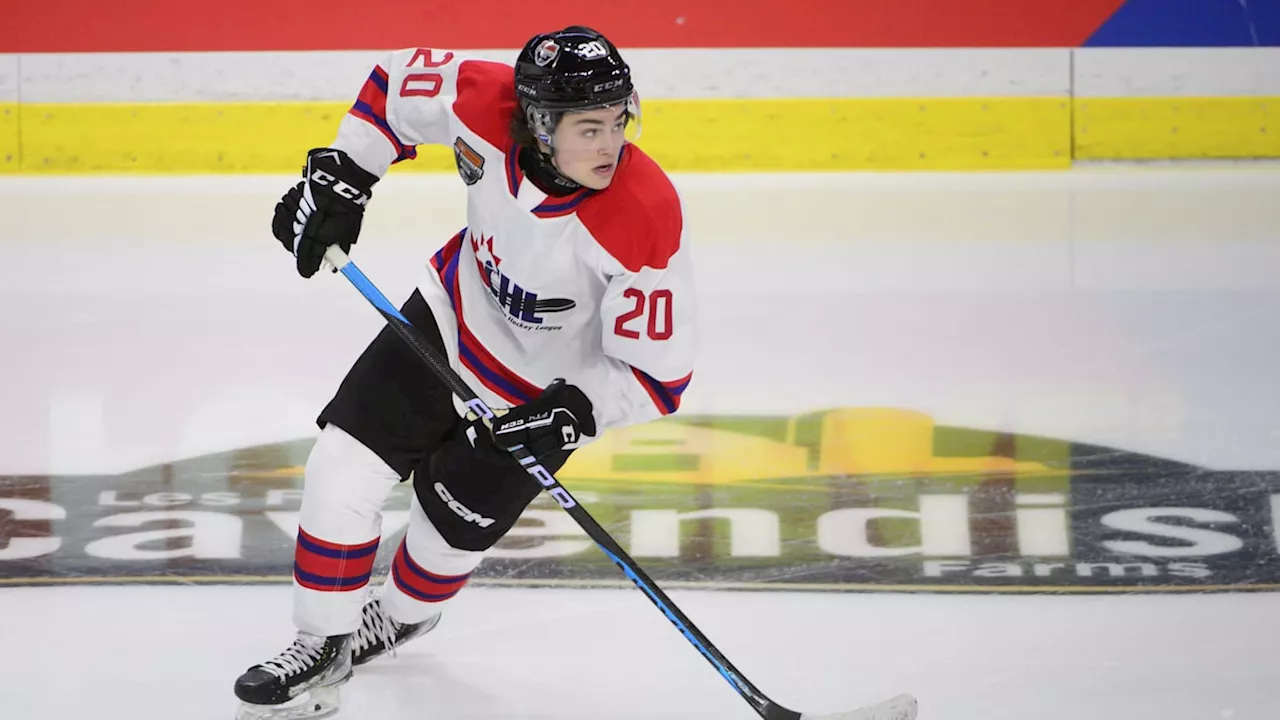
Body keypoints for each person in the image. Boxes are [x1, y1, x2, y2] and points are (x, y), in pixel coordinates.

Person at [231, 25, 697, 720]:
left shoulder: (645, 214)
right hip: (449, 322)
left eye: (618, 121)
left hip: (538, 397)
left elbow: (661, 376)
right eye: (590, 128)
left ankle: (400, 617)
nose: (612, 145)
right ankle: (322, 644)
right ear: (539, 125)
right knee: (341, 465)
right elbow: (391, 88)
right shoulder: (482, 99)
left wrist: (576, 411)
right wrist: (349, 177)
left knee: (441, 543)